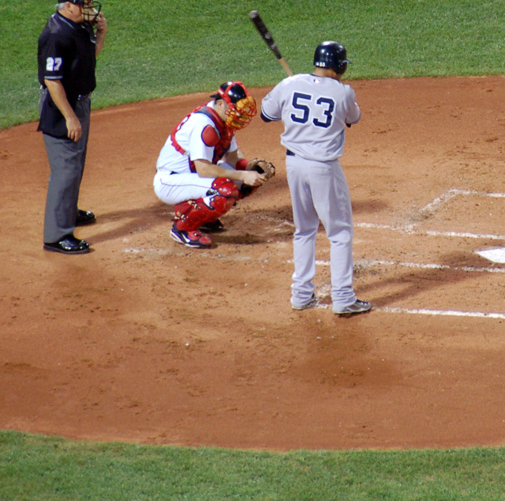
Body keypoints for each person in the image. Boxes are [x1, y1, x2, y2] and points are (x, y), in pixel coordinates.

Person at [260, 41, 370, 317]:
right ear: (340, 66)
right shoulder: (343, 92)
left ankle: (301, 295)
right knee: (340, 232)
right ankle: (343, 298)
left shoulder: (290, 84)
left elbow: (266, 114)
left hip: (294, 166)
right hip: (323, 168)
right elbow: (353, 118)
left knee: (305, 229)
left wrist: (292, 91)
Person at [153, 82, 276, 249]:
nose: (239, 114)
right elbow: (203, 169)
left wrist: (249, 168)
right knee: (225, 191)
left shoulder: (224, 120)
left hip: (191, 176)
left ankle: (202, 217)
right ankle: (182, 229)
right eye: (235, 109)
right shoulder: (205, 125)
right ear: (220, 104)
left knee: (247, 180)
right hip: (171, 180)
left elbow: (232, 156)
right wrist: (242, 175)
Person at [37, 0, 108, 255]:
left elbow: (89, 56)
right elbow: (52, 81)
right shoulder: (56, 35)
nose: (89, 8)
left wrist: (101, 33)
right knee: (65, 169)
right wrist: (70, 117)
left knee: (76, 163)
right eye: (84, 3)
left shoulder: (77, 26)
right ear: (68, 5)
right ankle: (57, 236)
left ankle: (68, 211)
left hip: (78, 102)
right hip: (61, 106)